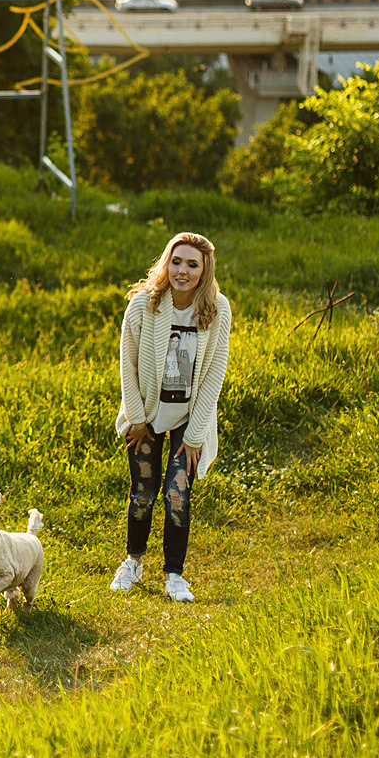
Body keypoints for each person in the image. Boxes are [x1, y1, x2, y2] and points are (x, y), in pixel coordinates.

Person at [109, 231, 231, 603]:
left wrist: (195, 436)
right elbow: (126, 365)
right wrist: (137, 418)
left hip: (189, 420)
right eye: (176, 261)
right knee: (143, 492)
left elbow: (215, 372)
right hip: (144, 415)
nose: (182, 270)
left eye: (192, 264)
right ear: (167, 262)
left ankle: (174, 575)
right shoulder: (144, 305)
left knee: (177, 496)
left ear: (204, 270)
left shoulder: (217, 307)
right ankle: (133, 562)